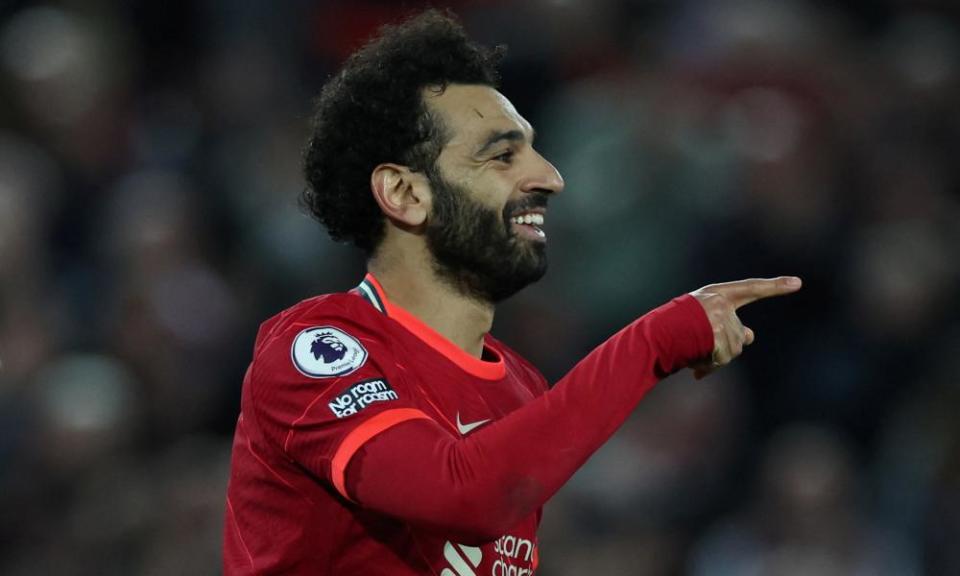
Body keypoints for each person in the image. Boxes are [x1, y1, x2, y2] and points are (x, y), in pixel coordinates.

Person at [222, 9, 801, 575]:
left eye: (532, 149)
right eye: (502, 155)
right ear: (403, 193)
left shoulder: (522, 390)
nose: (550, 176)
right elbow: (462, 496)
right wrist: (657, 340)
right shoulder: (316, 349)